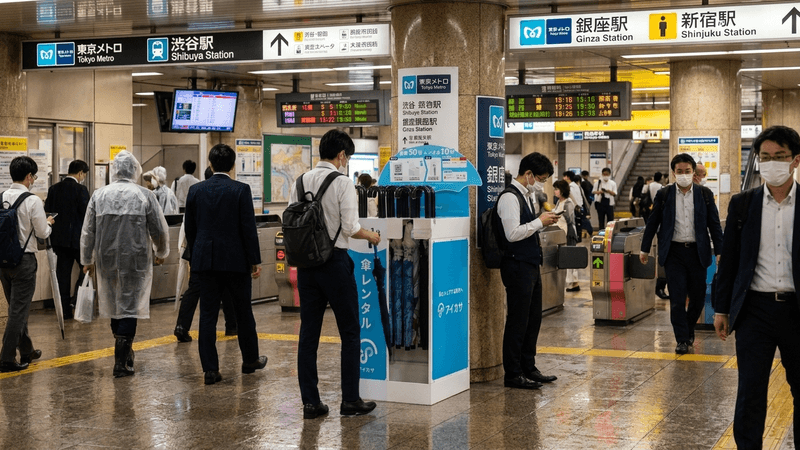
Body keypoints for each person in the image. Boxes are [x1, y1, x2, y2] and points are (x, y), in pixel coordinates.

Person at [715, 125, 800, 449]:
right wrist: (722, 308)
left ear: (795, 160)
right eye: (765, 157)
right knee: (750, 391)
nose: (772, 164)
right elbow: (731, 261)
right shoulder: (743, 204)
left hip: (797, 310)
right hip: (755, 311)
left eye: (779, 157)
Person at [290, 130, 381, 419]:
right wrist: (373, 236)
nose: (347, 162)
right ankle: (350, 400)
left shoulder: (301, 180)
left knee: (309, 334)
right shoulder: (343, 183)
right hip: (335, 264)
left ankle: (311, 403)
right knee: (351, 332)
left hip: (307, 266)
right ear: (341, 155)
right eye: (348, 157)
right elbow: (351, 228)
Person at [80, 151, 170, 377]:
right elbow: (159, 229)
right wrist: (161, 251)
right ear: (134, 170)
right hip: (136, 259)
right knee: (130, 304)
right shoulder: (144, 196)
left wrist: (86, 259)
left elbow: (87, 231)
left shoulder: (98, 196)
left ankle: (123, 349)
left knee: (113, 302)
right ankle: (122, 358)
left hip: (106, 259)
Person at [185, 144, 267, 386]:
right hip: (236, 261)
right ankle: (250, 360)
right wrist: (254, 260)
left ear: (209, 164)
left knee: (208, 315)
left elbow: (191, 229)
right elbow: (248, 229)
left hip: (206, 262)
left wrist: (195, 257)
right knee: (243, 312)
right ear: (233, 166)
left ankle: (210, 369)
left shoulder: (196, 190)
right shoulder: (241, 189)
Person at [639, 153, 723, 354]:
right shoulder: (664, 194)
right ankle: (682, 339)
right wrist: (644, 248)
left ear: (693, 172)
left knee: (698, 298)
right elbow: (653, 223)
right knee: (676, 299)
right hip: (674, 253)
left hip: (697, 253)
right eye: (679, 171)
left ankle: (688, 326)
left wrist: (720, 252)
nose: (684, 175)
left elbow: (714, 225)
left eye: (687, 171)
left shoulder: (704, 194)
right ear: (674, 173)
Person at [496, 152, 560, 389]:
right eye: (541, 178)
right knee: (517, 320)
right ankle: (512, 373)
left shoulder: (527, 196)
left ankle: (528, 367)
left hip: (530, 264)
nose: (542, 183)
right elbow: (512, 234)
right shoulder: (509, 198)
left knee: (532, 319)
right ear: (528, 174)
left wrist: (542, 223)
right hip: (516, 266)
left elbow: (527, 229)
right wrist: (539, 222)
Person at [0, 157, 54, 372]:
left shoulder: (1, 197)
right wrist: (49, 223)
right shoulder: (32, 201)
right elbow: (42, 233)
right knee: (18, 312)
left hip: (3, 262)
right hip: (24, 262)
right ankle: (6, 358)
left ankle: (27, 350)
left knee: (16, 308)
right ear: (29, 177)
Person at [44, 160, 89, 320]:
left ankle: (64, 311)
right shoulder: (81, 190)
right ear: (80, 173)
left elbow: (48, 212)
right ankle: (77, 304)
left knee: (63, 276)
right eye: (84, 174)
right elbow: (87, 216)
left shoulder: (54, 189)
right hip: (78, 241)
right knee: (86, 270)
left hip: (59, 241)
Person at [553, 180, 580, 292]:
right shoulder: (559, 202)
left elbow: (569, 220)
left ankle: (573, 283)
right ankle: (570, 282)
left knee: (570, 256)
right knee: (566, 256)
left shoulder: (568, 203)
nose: (554, 191)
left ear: (562, 190)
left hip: (568, 232)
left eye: (556, 189)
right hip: (561, 232)